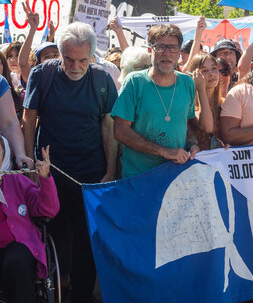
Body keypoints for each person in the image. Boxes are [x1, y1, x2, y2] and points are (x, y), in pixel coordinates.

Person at [22, 22, 118, 303]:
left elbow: (108, 126)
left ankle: (82, 294)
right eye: (69, 59)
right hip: (49, 173)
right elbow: (29, 121)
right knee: (53, 234)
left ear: (92, 56)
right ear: (60, 53)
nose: (75, 66)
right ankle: (54, 289)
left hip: (89, 174)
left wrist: (111, 169)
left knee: (86, 240)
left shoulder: (102, 79)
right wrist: (30, 166)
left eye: (82, 61)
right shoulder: (43, 74)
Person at [112, 24, 208, 178]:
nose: (167, 54)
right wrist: (164, 151)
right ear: (150, 50)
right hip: (140, 178)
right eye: (161, 47)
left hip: (175, 176)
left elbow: (188, 124)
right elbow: (120, 131)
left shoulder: (186, 83)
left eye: (172, 48)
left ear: (179, 52)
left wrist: (193, 144)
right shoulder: (135, 82)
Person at [0, 140, 59, 303]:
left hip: (17, 247)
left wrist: (45, 178)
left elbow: (48, 209)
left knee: (16, 260)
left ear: (4, 156)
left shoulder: (17, 181)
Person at [187, 53, 225, 150]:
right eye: (204, 71)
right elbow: (207, 127)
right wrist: (201, 89)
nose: (211, 74)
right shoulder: (188, 106)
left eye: (214, 68)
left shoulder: (224, 104)